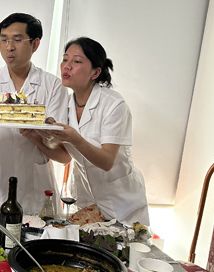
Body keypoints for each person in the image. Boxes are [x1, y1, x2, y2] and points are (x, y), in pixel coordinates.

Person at [0, 13, 68, 214]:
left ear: (35, 44)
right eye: (4, 39)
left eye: (17, 40)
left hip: (35, 190)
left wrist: (37, 136)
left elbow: (63, 154)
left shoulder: (53, 86)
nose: (9, 47)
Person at [48, 37, 150, 225]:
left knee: (122, 252)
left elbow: (106, 161)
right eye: (65, 59)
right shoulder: (66, 105)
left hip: (123, 203)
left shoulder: (113, 104)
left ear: (95, 72)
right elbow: (64, 157)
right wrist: (33, 135)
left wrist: (75, 139)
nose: (67, 66)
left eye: (77, 61)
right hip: (87, 202)